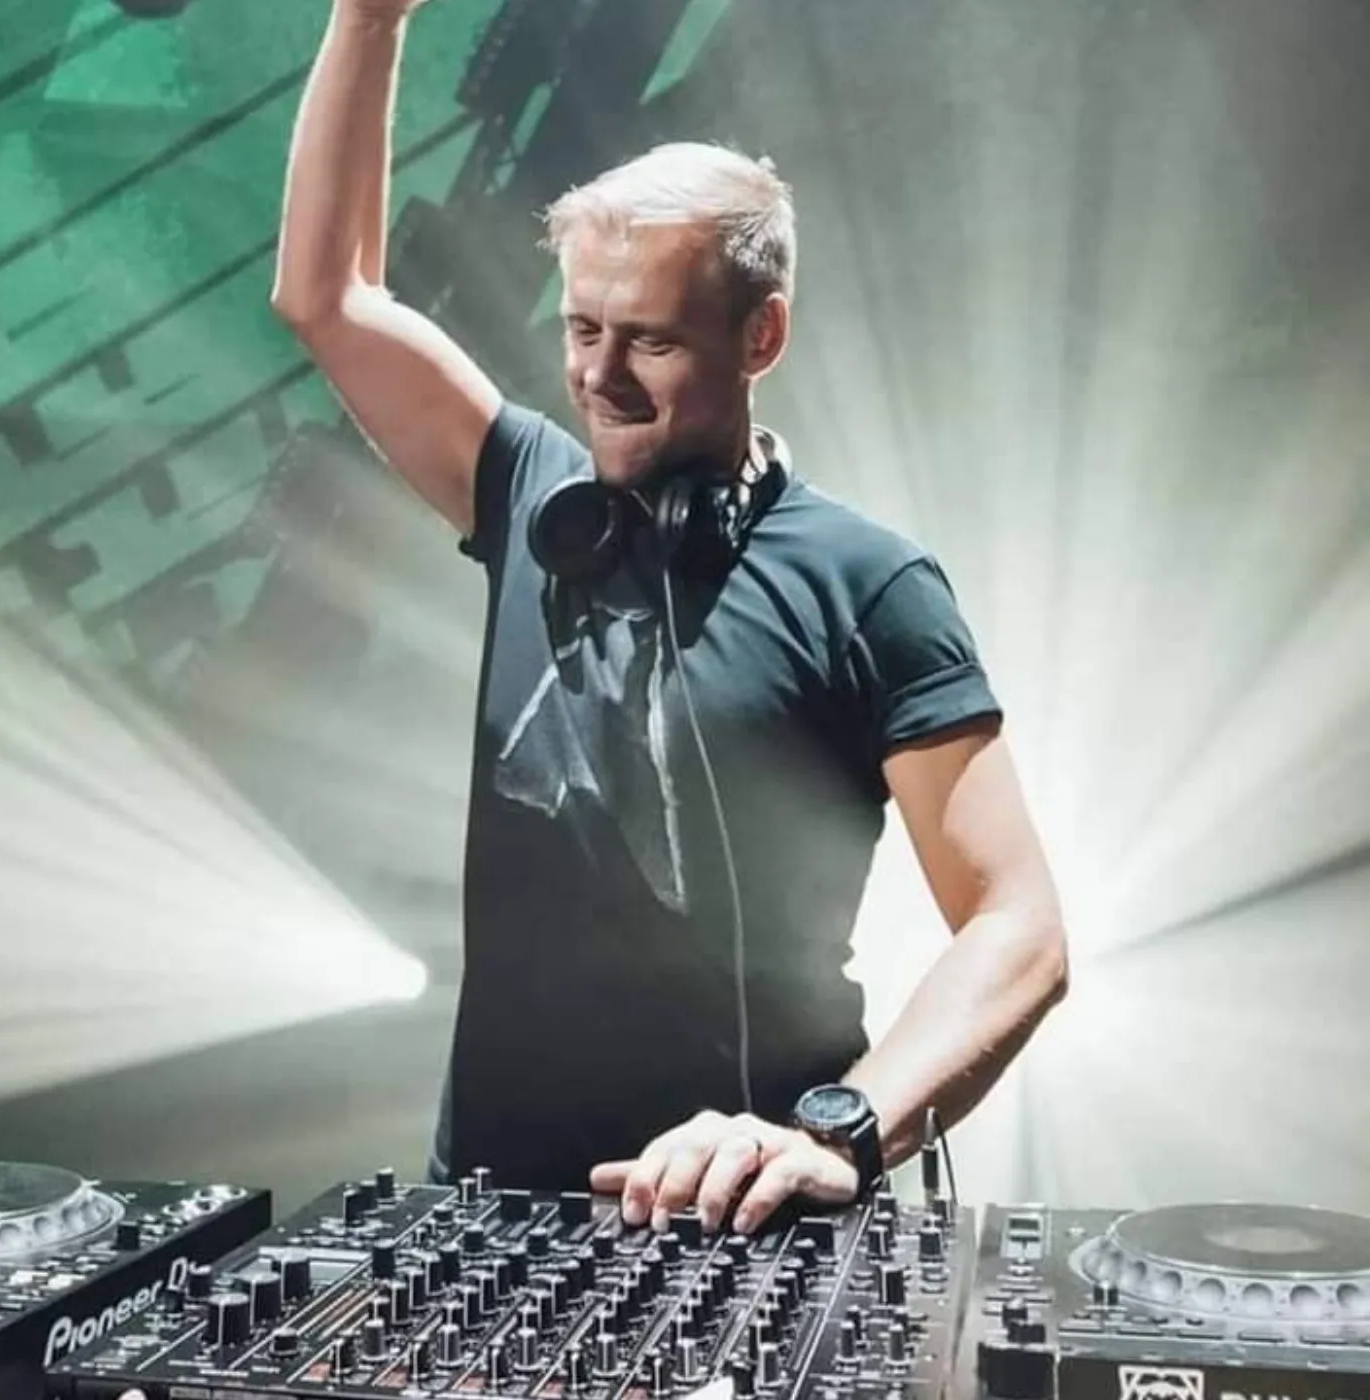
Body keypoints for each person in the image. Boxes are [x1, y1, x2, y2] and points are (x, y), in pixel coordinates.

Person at [270, 0, 1069, 1239]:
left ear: (762, 334)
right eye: (581, 327)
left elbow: (1016, 925)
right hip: (495, 1216)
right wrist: (369, 20)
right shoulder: (534, 498)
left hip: (746, 1220)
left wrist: (837, 1130)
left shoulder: (866, 583)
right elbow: (326, 296)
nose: (597, 375)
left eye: (647, 340)